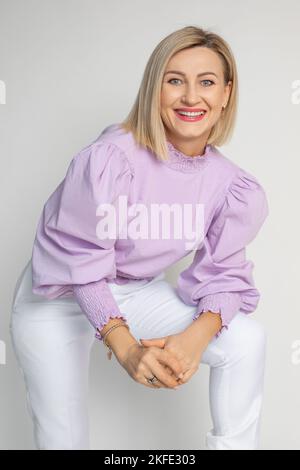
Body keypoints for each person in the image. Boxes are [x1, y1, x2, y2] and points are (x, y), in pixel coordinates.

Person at [10, 25, 269, 450]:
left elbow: (223, 275)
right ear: (155, 89)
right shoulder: (111, 157)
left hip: (134, 291)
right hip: (57, 297)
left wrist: (192, 340)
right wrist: (127, 348)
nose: (191, 97)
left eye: (206, 82)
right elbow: (79, 261)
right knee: (63, 439)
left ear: (226, 93)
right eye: (174, 81)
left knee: (246, 340)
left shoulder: (232, 186)